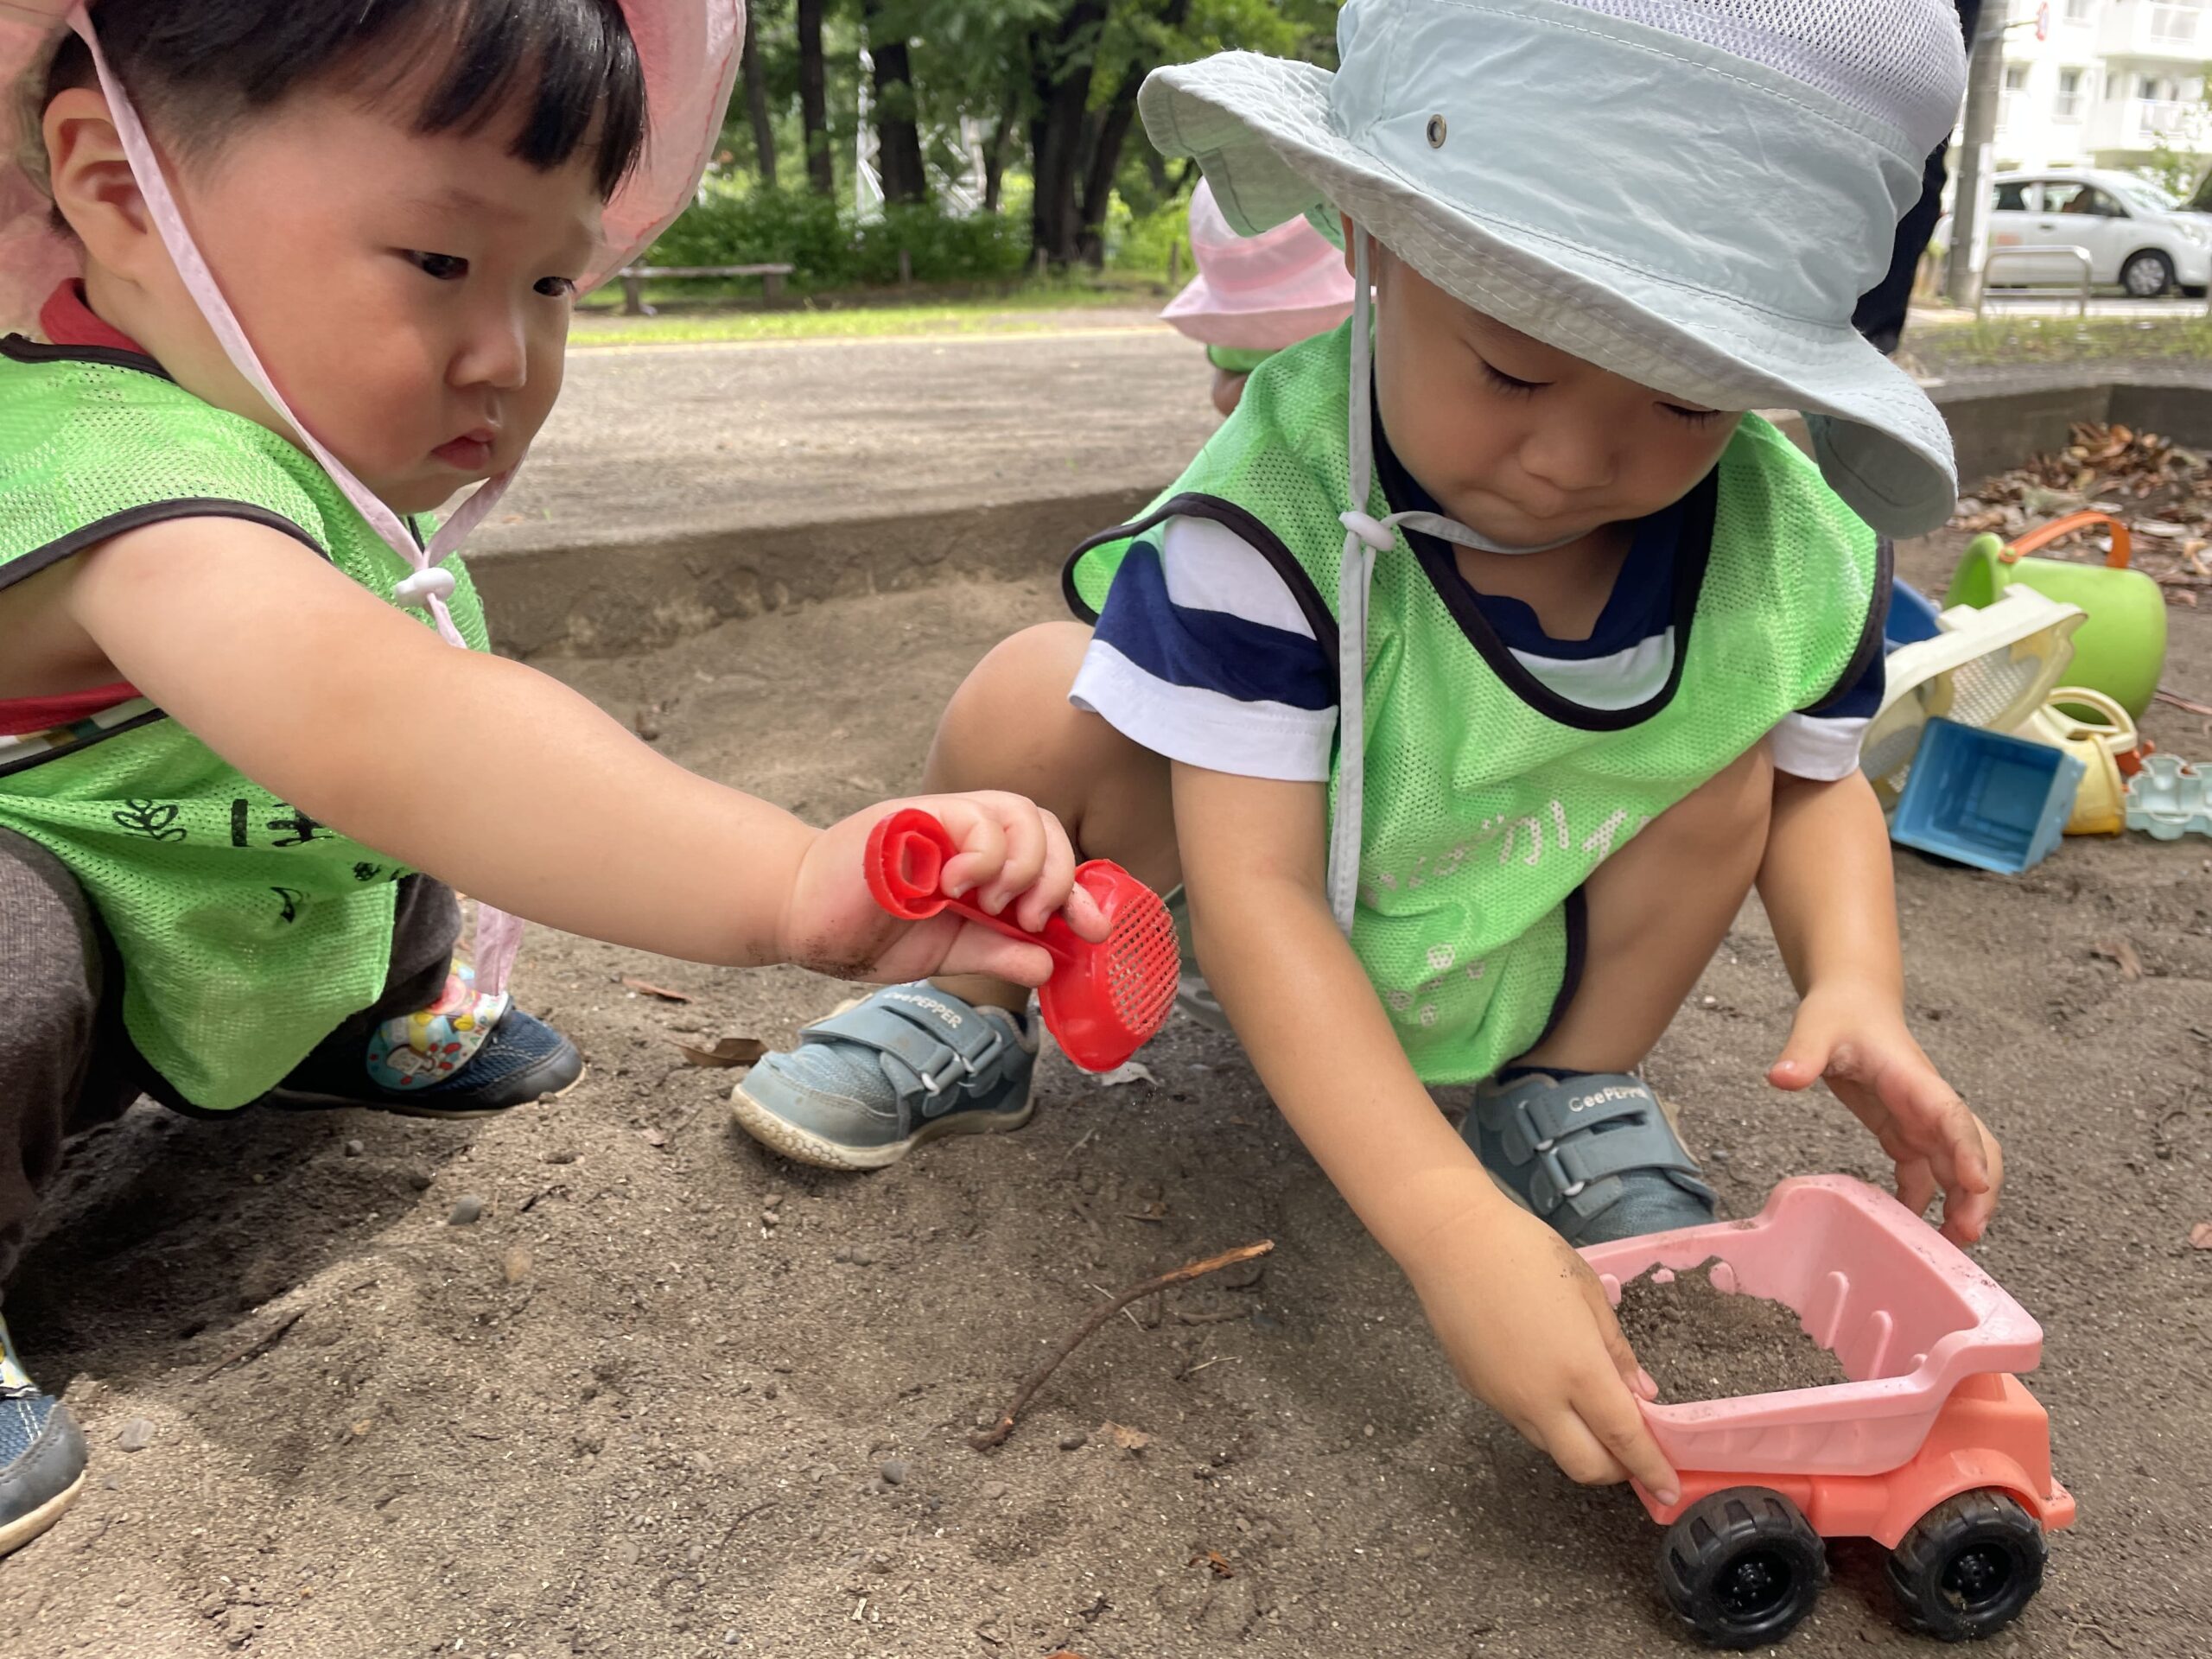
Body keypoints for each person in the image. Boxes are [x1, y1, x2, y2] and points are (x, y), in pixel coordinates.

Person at [735, 0, 2003, 1504]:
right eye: (1516, 372)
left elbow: (1812, 789)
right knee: (1035, 695)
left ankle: (1567, 1087)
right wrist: (1447, 1228)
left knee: (1727, 768)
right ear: (1377, 244)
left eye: (1683, 398)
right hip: (1213, 894)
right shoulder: (1270, 507)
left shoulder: (1788, 544)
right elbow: (1258, 892)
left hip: (1512, 920)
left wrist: (1854, 983)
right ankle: (972, 1007)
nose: (1577, 457)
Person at [0, 0, 1100, 1558]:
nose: (504, 353)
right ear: (113, 184)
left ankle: (365, 1012)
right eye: (442, 263)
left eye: (553, 281)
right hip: (64, 875)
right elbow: (387, 728)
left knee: (410, 782)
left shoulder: (267, 421)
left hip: (222, 855)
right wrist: (789, 883)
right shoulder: (89, 460)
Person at [1162, 177, 1356, 417]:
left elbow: (1222, 392)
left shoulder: (1233, 342)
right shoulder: (1361, 330)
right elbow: (1223, 392)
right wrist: (1268, 386)